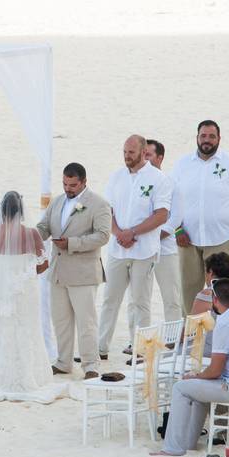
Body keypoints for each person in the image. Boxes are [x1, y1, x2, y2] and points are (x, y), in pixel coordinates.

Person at [0, 191, 68, 403]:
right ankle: (28, 374)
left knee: (0, 330)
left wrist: (5, 277)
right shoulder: (31, 234)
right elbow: (43, 264)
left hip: (0, 293)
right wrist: (25, 274)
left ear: (2, 212)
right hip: (24, 293)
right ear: (22, 211)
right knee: (26, 329)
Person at [152, 279, 229, 456]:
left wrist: (196, 376)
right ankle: (189, 442)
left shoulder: (225, 322)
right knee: (197, 391)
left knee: (181, 387)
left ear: (215, 299)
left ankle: (173, 447)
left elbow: (215, 371)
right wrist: (199, 377)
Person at [171, 120, 229, 314]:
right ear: (197, 138)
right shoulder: (182, 165)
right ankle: (192, 336)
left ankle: (224, 331)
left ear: (219, 139)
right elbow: (169, 197)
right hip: (188, 240)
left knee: (223, 291)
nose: (207, 140)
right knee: (189, 291)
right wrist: (177, 228)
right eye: (203, 136)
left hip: (221, 239)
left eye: (212, 136)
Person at [98, 135, 172, 358]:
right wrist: (119, 233)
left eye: (131, 152)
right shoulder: (116, 177)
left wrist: (133, 232)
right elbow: (106, 210)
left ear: (143, 152)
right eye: (124, 152)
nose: (127, 156)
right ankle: (101, 347)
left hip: (144, 250)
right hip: (117, 249)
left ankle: (140, 348)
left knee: (140, 301)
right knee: (110, 298)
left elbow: (161, 215)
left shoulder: (159, 179)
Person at [35, 163, 111, 378]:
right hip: (58, 271)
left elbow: (103, 235)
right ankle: (63, 361)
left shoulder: (99, 204)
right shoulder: (57, 201)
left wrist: (72, 243)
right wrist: (30, 237)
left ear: (84, 182)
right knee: (61, 320)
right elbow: (45, 226)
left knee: (86, 321)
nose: (68, 189)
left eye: (73, 185)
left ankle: (90, 365)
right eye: (65, 184)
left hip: (84, 273)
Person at [145, 138, 183, 322]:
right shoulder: (135, 181)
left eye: (148, 155)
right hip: (141, 249)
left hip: (165, 249)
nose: (144, 159)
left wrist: (154, 235)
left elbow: (176, 218)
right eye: (142, 155)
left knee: (171, 296)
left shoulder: (171, 183)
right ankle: (135, 339)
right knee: (139, 297)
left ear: (160, 158)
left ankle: (172, 339)